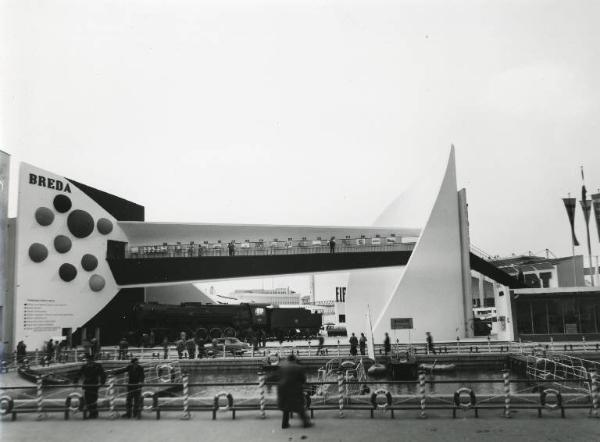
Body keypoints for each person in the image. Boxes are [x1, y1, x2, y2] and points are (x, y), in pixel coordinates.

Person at [278, 355, 312, 429]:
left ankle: (284, 424)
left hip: (283, 389)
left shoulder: (283, 367)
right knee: (299, 406)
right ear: (294, 360)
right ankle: (306, 423)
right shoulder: (299, 367)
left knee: (286, 408)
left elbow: (278, 377)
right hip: (294, 389)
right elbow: (303, 379)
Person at [77, 354, 107, 419]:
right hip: (87, 384)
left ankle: (94, 413)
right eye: (87, 360)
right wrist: (75, 381)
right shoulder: (84, 366)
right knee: (87, 400)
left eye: (89, 360)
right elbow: (79, 373)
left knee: (94, 399)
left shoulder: (98, 366)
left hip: (94, 384)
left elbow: (103, 374)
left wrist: (102, 382)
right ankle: (91, 413)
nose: (88, 361)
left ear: (92, 360)